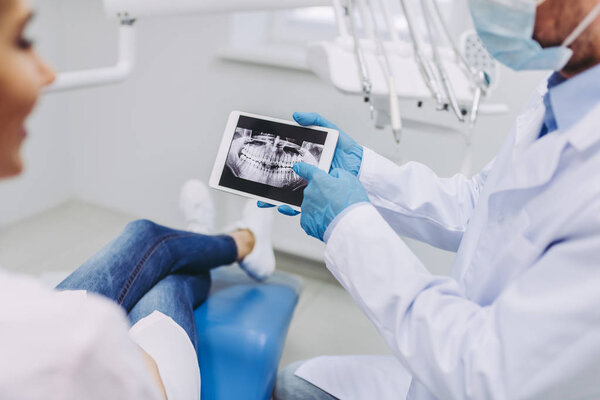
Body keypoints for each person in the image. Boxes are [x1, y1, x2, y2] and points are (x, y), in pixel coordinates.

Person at [267, 0, 600, 399]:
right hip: (450, 359)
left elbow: (485, 372)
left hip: (479, 373)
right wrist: (363, 172)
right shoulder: (561, 87)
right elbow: (481, 205)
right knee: (296, 382)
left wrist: (350, 226)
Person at [0, 1, 276, 399]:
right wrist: (108, 338)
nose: (47, 72)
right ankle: (241, 241)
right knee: (169, 273)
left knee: (146, 236)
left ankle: (210, 240)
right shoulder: (75, 343)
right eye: (21, 40)